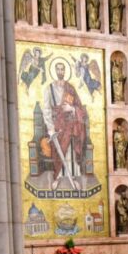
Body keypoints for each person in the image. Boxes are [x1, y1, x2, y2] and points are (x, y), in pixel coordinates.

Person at [42, 61, 89, 190]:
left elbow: (79, 107)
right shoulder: (49, 89)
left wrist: (72, 109)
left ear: (65, 71)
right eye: (58, 69)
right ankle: (57, 176)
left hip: (69, 125)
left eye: (62, 69)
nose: (60, 71)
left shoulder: (70, 88)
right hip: (57, 126)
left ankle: (72, 176)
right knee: (58, 151)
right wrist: (50, 128)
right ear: (55, 71)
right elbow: (46, 110)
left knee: (69, 151)